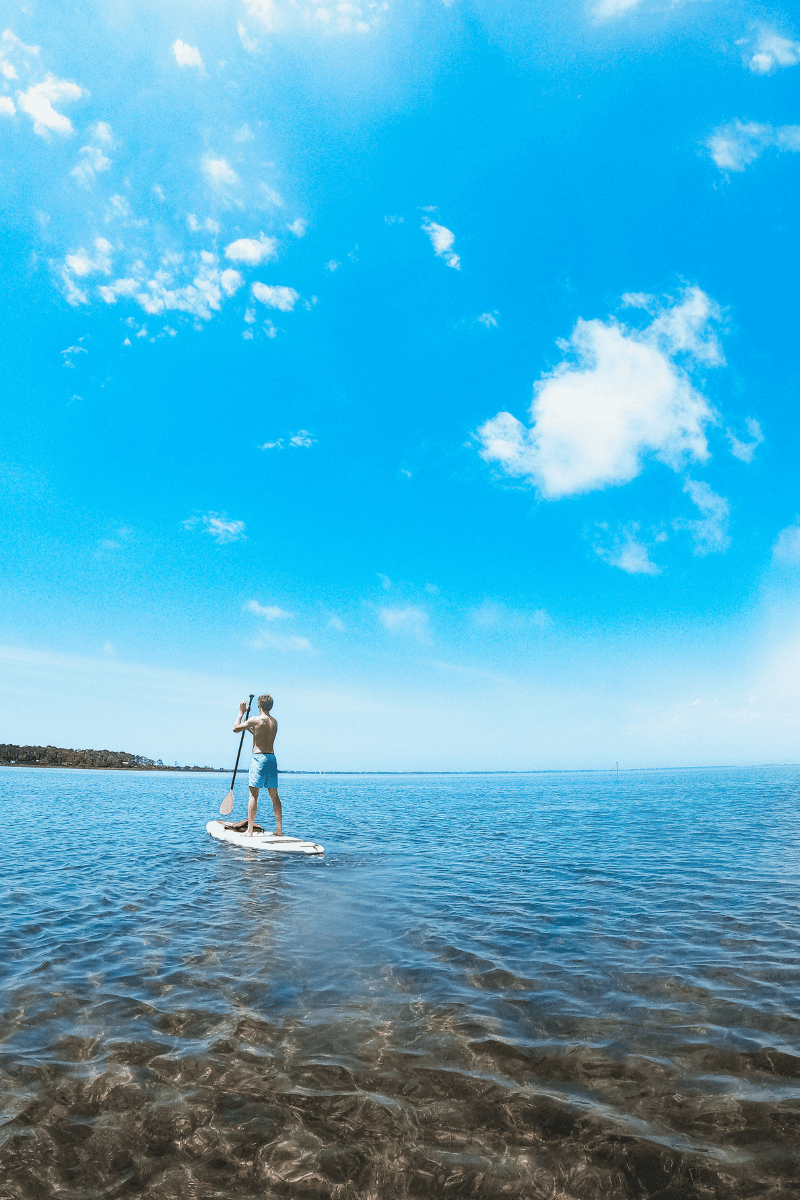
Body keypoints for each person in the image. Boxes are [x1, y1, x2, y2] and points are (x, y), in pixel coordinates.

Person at [232, 694, 283, 837]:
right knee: (274, 796)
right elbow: (258, 732)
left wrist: (241, 713)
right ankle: (279, 829)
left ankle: (249, 830)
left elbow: (235, 728)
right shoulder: (274, 722)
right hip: (271, 759)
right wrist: (249, 726)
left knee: (253, 795)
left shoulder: (255, 719)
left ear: (259, 705)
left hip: (259, 758)